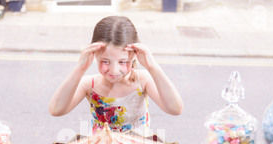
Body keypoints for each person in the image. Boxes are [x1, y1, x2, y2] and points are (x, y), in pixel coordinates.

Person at [48, 15, 183, 136]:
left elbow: (175, 109)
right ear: (94, 55)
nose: (114, 70)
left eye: (123, 61)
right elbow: (56, 109)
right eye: (105, 61)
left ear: (135, 55)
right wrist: (79, 68)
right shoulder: (89, 84)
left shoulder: (142, 80)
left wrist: (152, 66)